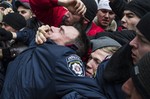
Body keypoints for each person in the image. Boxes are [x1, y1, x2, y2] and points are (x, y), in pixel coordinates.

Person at [0, 23, 106, 99]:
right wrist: (14, 35)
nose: (53, 27)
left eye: (61, 31)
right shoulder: (43, 44)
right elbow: (32, 36)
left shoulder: (64, 58)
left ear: (69, 46)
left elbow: (87, 91)